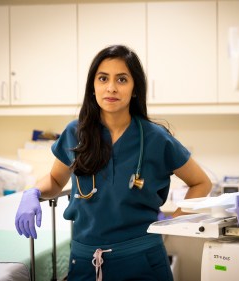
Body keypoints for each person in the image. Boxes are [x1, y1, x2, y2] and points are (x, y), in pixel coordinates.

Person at [15, 44, 212, 281]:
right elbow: (56, 180)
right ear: (93, 87)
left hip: (143, 262)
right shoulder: (75, 133)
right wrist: (33, 192)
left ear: (135, 88)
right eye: (103, 78)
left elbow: (201, 182)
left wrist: (175, 222)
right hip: (85, 263)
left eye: (121, 79)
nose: (111, 88)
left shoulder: (155, 138)